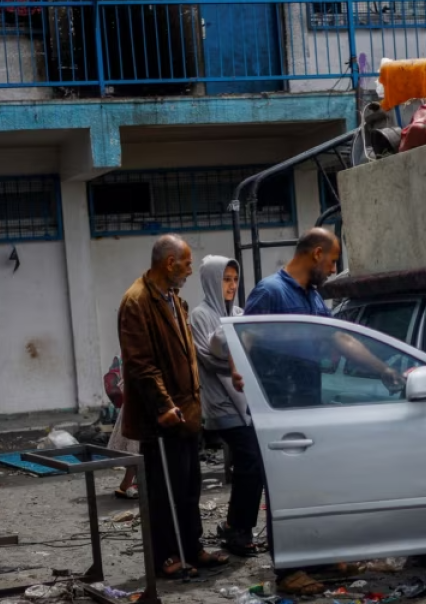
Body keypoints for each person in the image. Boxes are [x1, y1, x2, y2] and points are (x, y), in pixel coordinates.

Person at [217, 228, 403, 594]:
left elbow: (340, 337)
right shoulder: (271, 291)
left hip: (306, 404)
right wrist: (238, 372)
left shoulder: (312, 296)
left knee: (312, 486)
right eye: (333, 260)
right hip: (278, 408)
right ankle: (288, 571)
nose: (334, 269)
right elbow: (244, 340)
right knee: (284, 491)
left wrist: (383, 369)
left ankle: (317, 556)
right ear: (317, 254)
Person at [118, 234, 229, 579]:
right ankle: (166, 555)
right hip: (161, 418)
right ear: (170, 263)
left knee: (187, 487)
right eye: (187, 263)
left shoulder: (174, 300)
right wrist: (164, 405)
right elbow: (141, 364)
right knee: (163, 491)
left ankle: (191, 546)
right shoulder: (137, 302)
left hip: (187, 413)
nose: (190, 270)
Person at [189, 255, 262, 557]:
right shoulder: (200, 315)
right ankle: (237, 529)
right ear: (211, 281)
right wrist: (234, 347)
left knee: (251, 464)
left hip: (246, 403)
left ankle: (237, 527)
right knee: (251, 461)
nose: (231, 285)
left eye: (235, 279)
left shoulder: (240, 313)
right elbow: (209, 356)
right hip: (219, 403)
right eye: (225, 279)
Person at [103, 354, 139, 499]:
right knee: (137, 446)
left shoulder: (129, 348)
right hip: (139, 400)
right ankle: (134, 482)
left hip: (132, 400)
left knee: (133, 445)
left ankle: (128, 481)